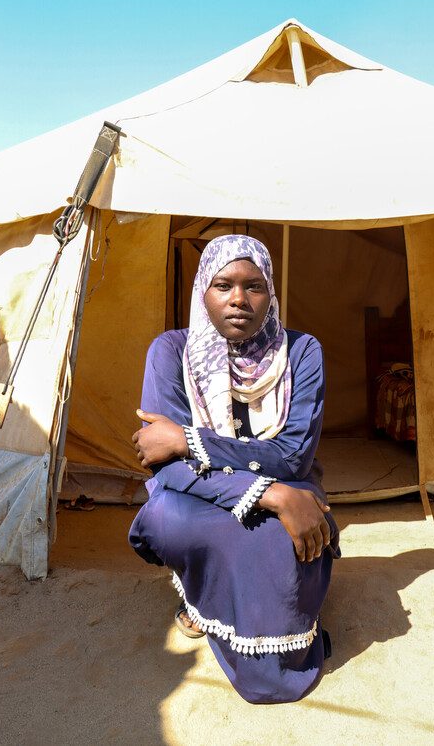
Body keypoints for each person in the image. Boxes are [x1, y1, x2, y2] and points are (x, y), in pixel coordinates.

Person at [129, 234, 340, 704]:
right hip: (198, 496)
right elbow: (166, 470)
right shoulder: (171, 352)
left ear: (272, 294)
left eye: (254, 286)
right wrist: (272, 494)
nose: (239, 299)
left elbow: (293, 456)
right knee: (175, 518)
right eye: (223, 285)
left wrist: (187, 439)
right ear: (203, 290)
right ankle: (201, 598)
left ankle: (271, 630)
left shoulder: (302, 352)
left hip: (284, 483)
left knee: (284, 539)